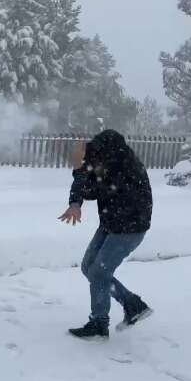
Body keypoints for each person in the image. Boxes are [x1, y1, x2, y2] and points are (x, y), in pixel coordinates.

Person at [58, 129, 153, 340]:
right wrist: (75, 203)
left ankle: (99, 325)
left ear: (106, 152)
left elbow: (92, 189)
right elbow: (85, 182)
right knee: (88, 267)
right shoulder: (105, 158)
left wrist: (79, 168)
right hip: (111, 224)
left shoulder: (123, 167)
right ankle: (132, 304)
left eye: (95, 154)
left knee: (99, 273)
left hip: (130, 229)